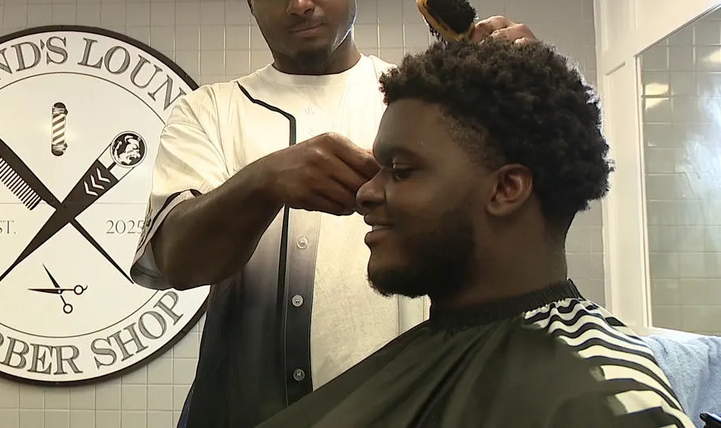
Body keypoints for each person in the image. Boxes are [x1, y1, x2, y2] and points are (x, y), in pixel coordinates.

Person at [128, 0, 537, 428]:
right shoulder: (207, 112)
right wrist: (263, 182)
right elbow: (176, 263)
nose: (299, 3)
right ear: (250, 0)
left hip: (407, 410)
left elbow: (513, 219)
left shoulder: (417, 103)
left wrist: (522, 95)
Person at [256, 37, 696, 427]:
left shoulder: (605, 397)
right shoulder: (433, 350)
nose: (365, 194)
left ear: (506, 189)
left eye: (401, 171)